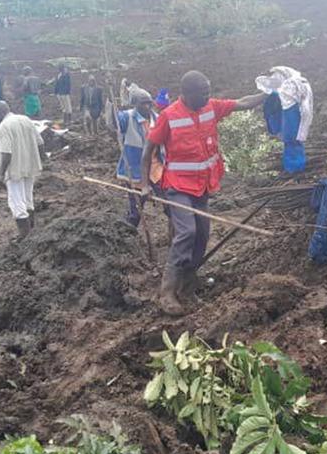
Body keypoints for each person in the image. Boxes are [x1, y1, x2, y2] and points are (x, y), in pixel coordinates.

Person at [140, 70, 268, 315]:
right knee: (187, 232)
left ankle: (188, 284)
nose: (208, 97)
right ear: (187, 94)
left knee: (202, 235)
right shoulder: (169, 116)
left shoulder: (211, 107)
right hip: (177, 186)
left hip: (202, 186)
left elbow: (242, 102)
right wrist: (144, 185)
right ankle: (167, 291)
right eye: (203, 93)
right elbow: (147, 153)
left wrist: (269, 94)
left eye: (209, 92)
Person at [0, 101, 45, 240]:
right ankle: (32, 231)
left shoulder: (4, 126)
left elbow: (6, 153)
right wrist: (43, 160)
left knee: (16, 202)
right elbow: (40, 142)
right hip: (30, 165)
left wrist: (1, 173)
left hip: (15, 169)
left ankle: (24, 236)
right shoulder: (25, 119)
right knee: (28, 199)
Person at [115, 86, 160, 226]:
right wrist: (114, 108)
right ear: (135, 104)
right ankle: (129, 230)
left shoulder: (158, 119)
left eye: (149, 103)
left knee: (170, 205)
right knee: (136, 209)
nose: (147, 106)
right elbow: (114, 123)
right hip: (135, 170)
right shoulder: (127, 117)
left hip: (157, 168)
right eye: (143, 103)